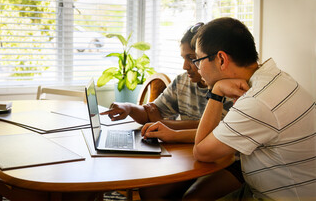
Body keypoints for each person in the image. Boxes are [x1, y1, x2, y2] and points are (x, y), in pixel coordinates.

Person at [101, 23, 242, 200]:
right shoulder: (183, 82)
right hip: (189, 156)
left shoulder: (229, 88)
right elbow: (150, 111)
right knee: (151, 192)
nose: (185, 66)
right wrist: (129, 108)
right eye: (183, 58)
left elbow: (215, 131)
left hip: (228, 161)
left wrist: (165, 125)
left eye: (191, 58)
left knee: (193, 198)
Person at [188, 17, 315, 200]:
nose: (198, 68)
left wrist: (216, 92)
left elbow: (201, 152)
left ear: (221, 59)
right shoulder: (274, 77)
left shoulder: (258, 100)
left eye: (199, 60)